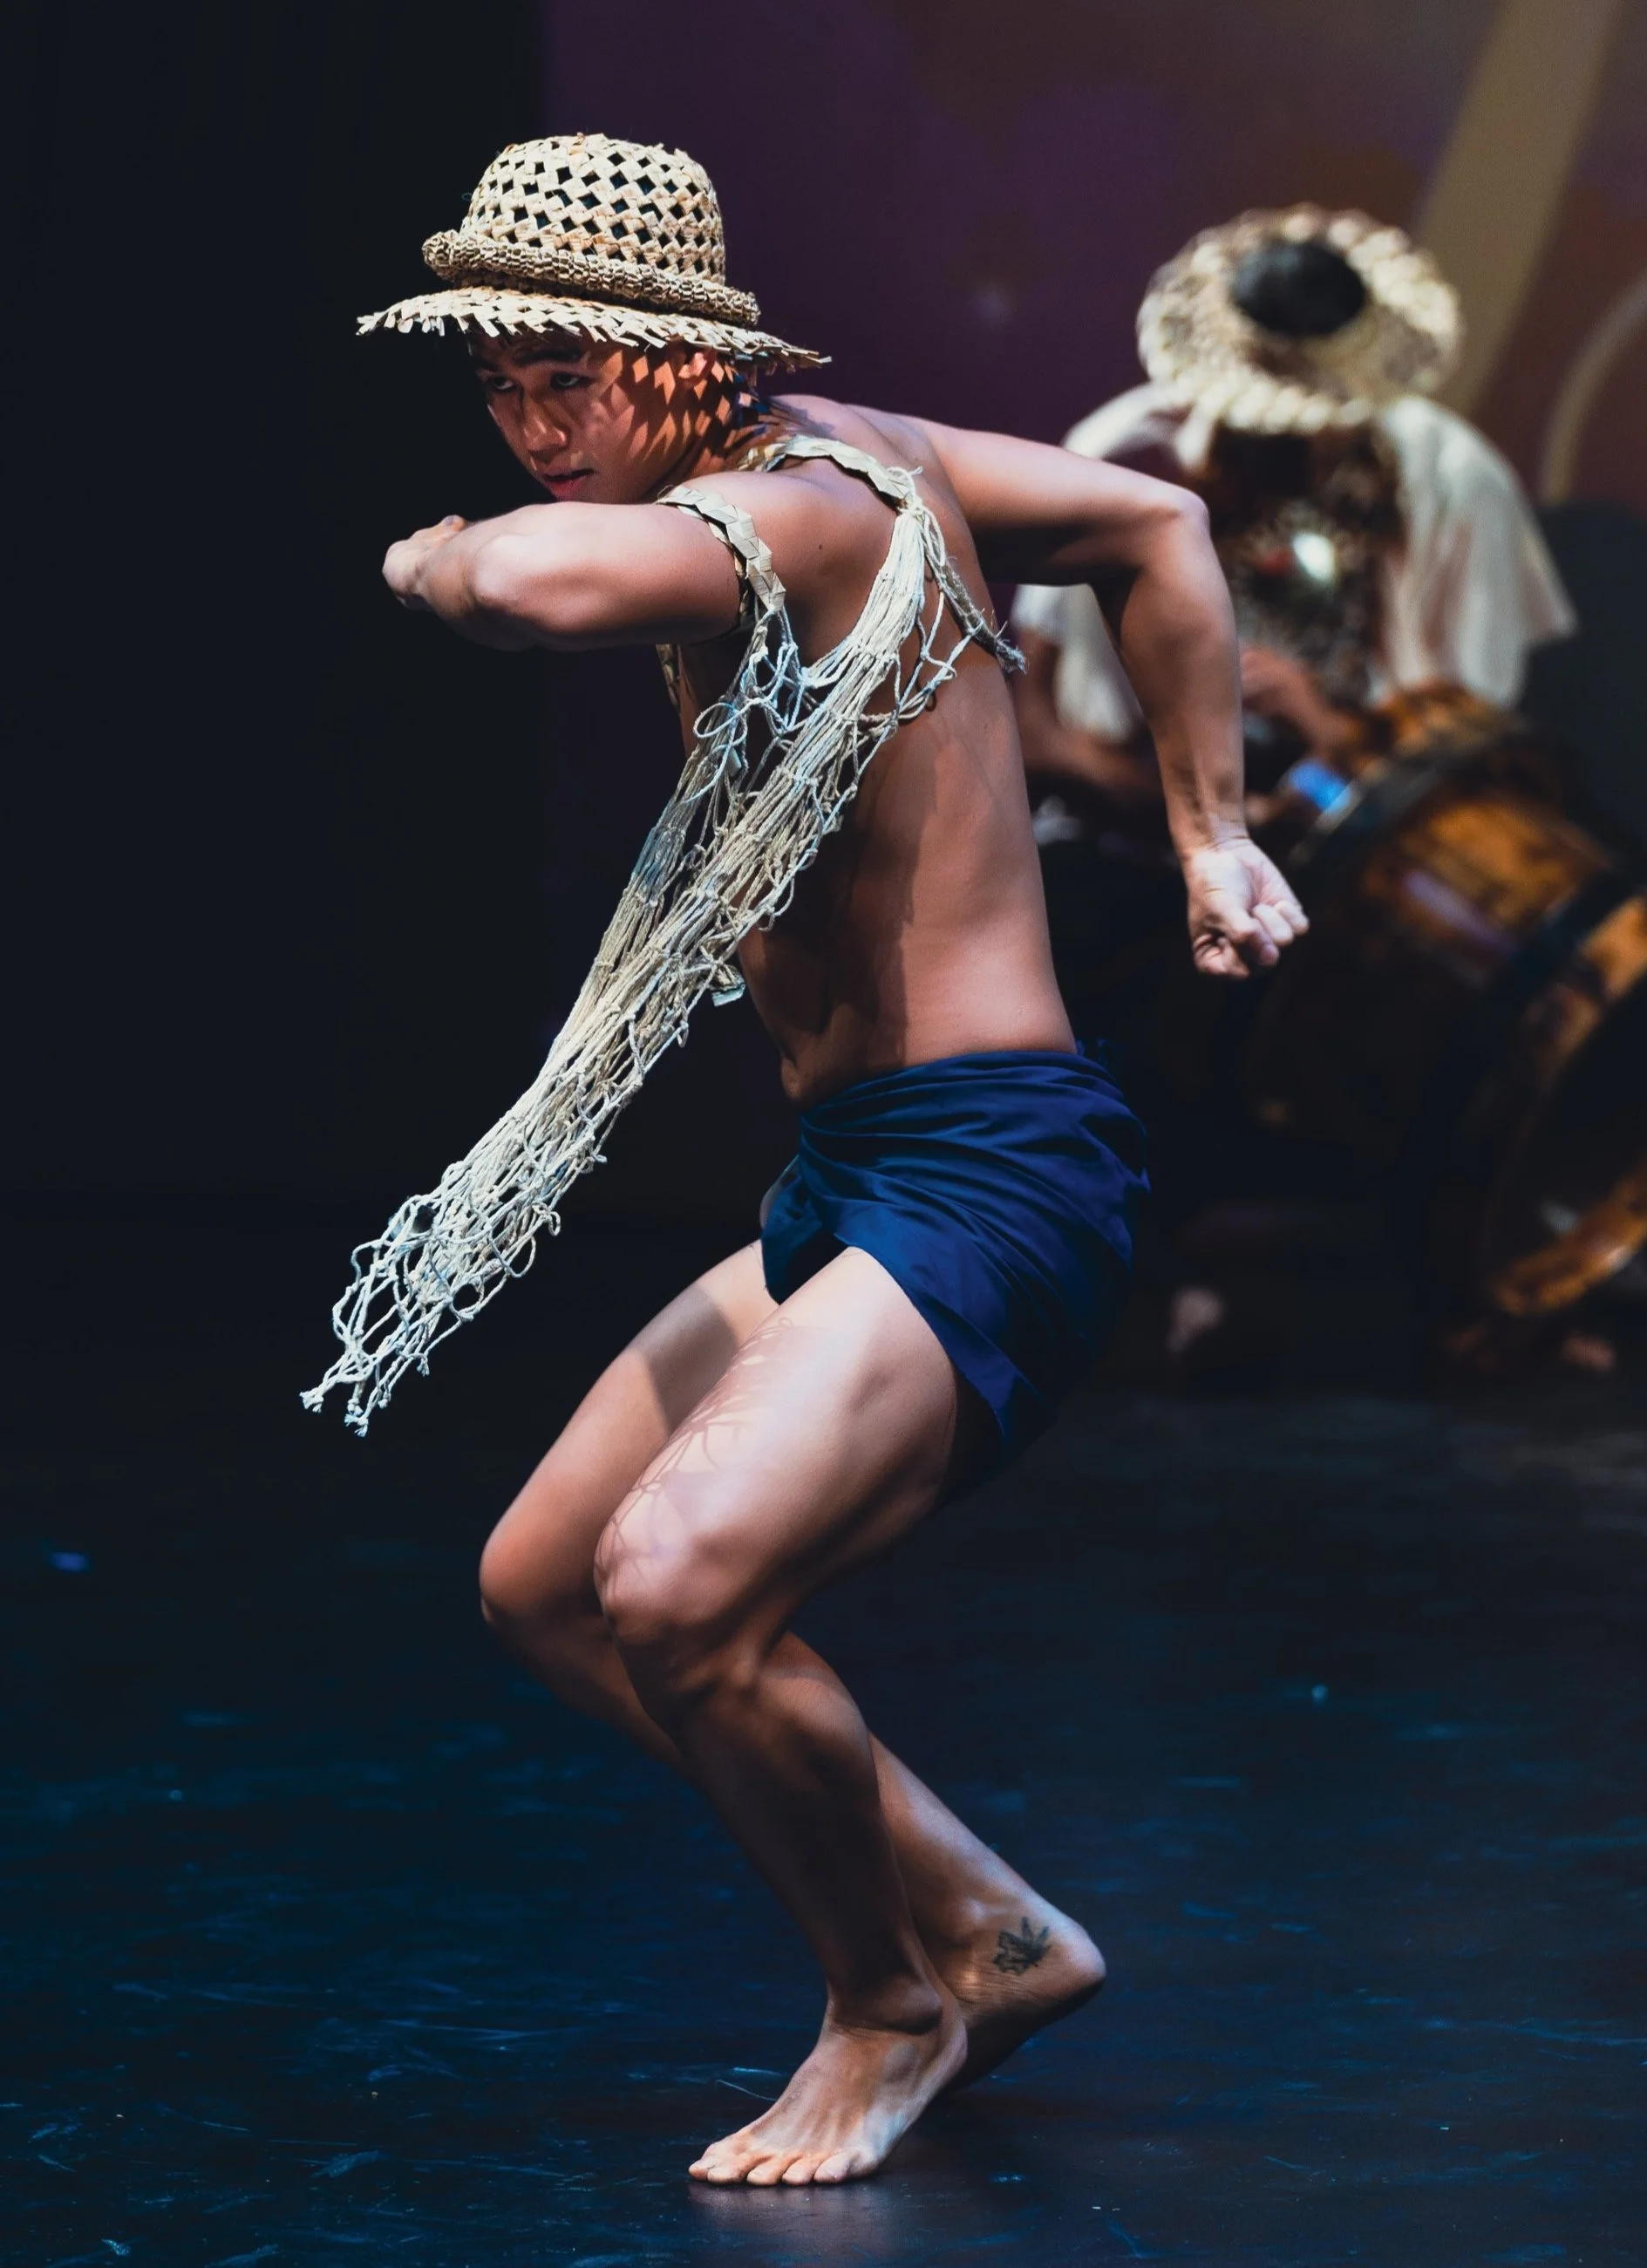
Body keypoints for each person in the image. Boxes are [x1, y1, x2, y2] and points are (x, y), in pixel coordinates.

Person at [316, 133, 1305, 2187]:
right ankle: (993, 1930)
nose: (531, 428)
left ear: (680, 359)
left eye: (563, 378)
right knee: (544, 1588)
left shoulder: (792, 508)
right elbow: (1151, 522)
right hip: (855, 1166)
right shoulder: (881, 459)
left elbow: (521, 584)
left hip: (993, 1177)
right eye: (499, 388)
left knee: (676, 1586)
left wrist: (423, 550)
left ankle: (893, 1999)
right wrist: (1208, 824)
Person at [1010, 208, 1574, 1361]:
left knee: (1489, 969)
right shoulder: (1124, 455)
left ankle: (1487, 1287)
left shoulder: (1440, 476)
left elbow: (1470, 751)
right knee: (1096, 957)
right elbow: (1035, 725)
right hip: (1131, 844)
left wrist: (1324, 732)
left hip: (1367, 855)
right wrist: (1193, 820)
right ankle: (1124, 1283)